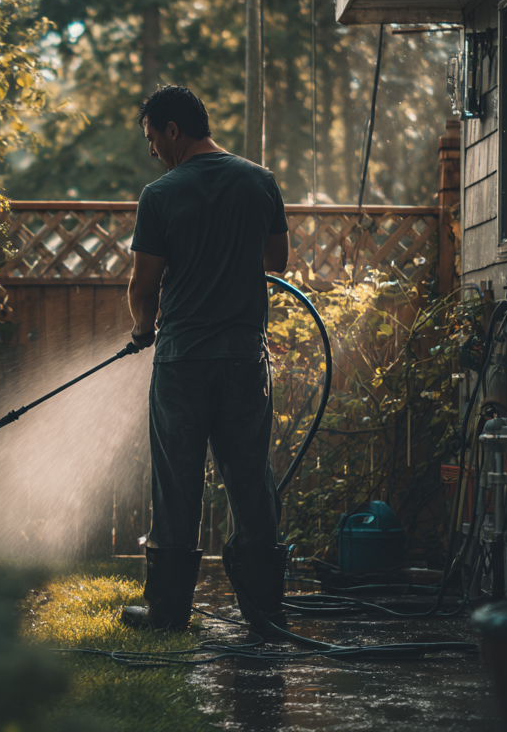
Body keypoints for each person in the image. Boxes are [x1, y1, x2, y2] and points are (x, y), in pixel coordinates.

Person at [118, 85, 290, 632]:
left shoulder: (161, 193)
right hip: (244, 359)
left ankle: (167, 611)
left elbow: (143, 286)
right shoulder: (259, 181)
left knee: (177, 484)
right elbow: (277, 260)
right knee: (250, 483)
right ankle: (264, 610)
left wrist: (143, 329)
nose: (152, 150)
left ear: (173, 129)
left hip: (183, 362)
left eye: (152, 138)